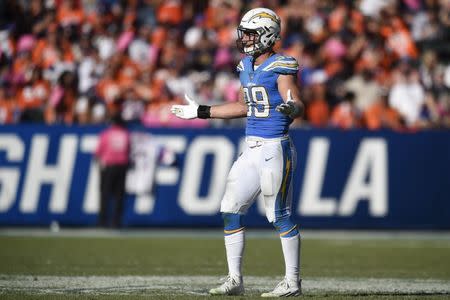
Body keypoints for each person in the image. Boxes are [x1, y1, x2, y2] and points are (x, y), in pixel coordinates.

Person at [171, 8, 304, 297]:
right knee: (230, 209)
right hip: (251, 148)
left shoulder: (281, 65)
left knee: (279, 215)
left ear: (266, 36)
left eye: (251, 33)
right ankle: (235, 280)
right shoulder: (246, 65)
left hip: (275, 148)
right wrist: (201, 111)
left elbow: (294, 98)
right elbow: (244, 106)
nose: (244, 38)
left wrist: (292, 107)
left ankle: (292, 282)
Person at [94, 114, 130, 228]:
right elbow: (128, 150)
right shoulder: (126, 134)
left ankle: (102, 221)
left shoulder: (106, 134)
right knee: (119, 195)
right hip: (122, 166)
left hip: (109, 166)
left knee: (105, 194)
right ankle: (116, 221)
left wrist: (99, 164)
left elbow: (98, 152)